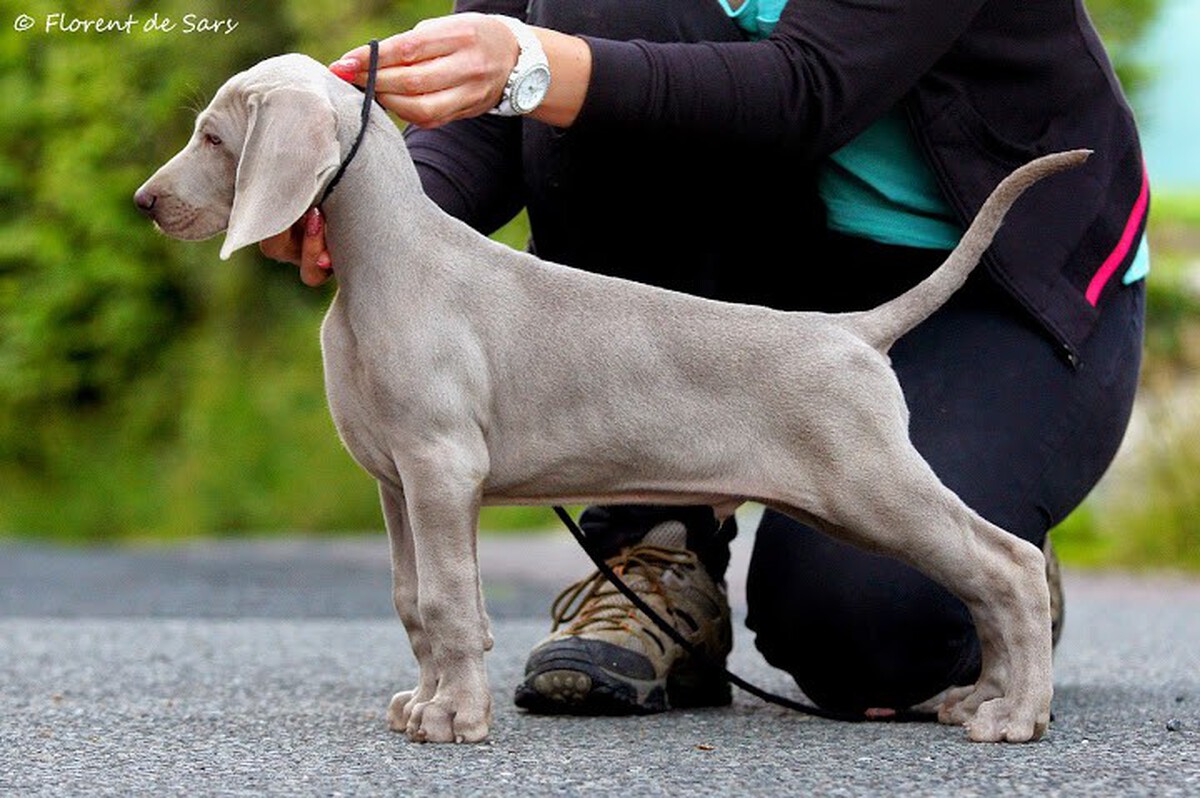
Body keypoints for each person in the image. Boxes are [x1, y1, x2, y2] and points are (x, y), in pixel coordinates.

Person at [263, 0, 1147, 718]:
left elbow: (812, 89)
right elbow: (483, 124)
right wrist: (372, 216)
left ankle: (983, 536)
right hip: (775, 266)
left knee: (862, 634)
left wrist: (535, 63)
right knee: (602, 16)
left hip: (1000, 275)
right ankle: (659, 545)